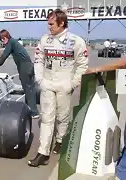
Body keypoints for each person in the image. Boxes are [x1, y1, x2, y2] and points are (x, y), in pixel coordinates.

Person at [28, 9, 89, 167]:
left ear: (62, 23)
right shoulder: (44, 40)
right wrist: (40, 79)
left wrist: (73, 83)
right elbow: (39, 60)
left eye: (51, 24)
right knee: (47, 118)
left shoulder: (76, 41)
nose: (49, 27)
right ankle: (43, 153)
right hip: (47, 83)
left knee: (62, 117)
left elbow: (83, 65)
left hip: (64, 84)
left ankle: (61, 140)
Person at [0, 29, 39, 119]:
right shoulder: (14, 42)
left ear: (5, 37)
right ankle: (29, 109)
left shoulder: (11, 43)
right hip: (28, 66)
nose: (2, 42)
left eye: (2, 40)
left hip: (25, 68)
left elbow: (4, 56)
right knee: (29, 89)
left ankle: (34, 112)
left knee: (28, 90)